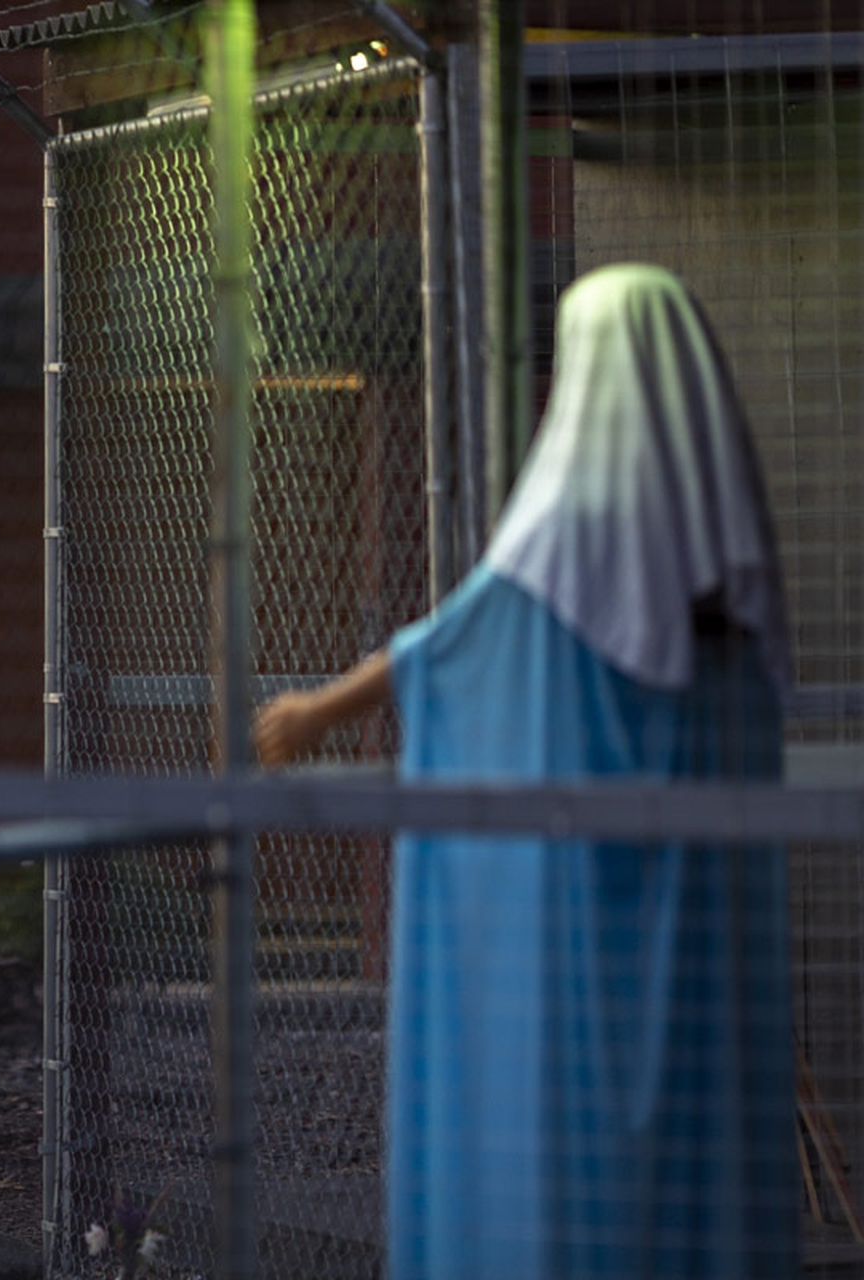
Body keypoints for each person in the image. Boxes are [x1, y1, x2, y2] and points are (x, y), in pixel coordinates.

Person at [254, 264, 797, 1278]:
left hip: (572, 901)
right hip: (698, 904)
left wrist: (318, 711)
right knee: (690, 1099)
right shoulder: (731, 549)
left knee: (563, 1110)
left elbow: (449, 644)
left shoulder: (568, 526)